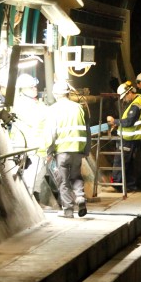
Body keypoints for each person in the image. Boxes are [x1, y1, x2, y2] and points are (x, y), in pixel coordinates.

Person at [46, 81, 90, 218]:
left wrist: (49, 151)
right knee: (76, 176)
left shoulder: (53, 109)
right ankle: (80, 198)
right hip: (78, 149)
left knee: (63, 181)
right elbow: (87, 130)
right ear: (68, 93)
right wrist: (86, 149)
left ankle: (68, 210)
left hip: (62, 151)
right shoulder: (79, 108)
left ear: (55, 94)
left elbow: (52, 133)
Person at [107, 73, 141, 191]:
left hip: (129, 138)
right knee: (132, 163)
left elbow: (129, 121)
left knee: (122, 162)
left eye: (124, 97)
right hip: (138, 137)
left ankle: (119, 184)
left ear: (129, 92)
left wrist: (115, 121)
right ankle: (131, 184)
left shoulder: (136, 104)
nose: (124, 99)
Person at [11, 73, 48, 200]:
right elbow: (36, 120)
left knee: (39, 173)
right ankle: (28, 200)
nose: (35, 88)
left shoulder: (35, 103)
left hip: (38, 145)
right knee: (30, 175)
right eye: (31, 87)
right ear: (23, 89)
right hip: (27, 146)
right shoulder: (21, 104)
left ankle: (35, 200)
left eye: (35, 86)